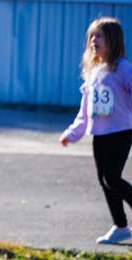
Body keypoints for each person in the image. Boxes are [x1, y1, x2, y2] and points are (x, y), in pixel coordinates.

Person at [61, 17, 132, 245]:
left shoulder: (123, 69)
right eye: (91, 36)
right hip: (99, 134)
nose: (93, 40)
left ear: (113, 40)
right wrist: (73, 133)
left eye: (99, 36)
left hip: (121, 132)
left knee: (112, 178)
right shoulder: (93, 72)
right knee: (104, 181)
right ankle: (121, 226)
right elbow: (85, 111)